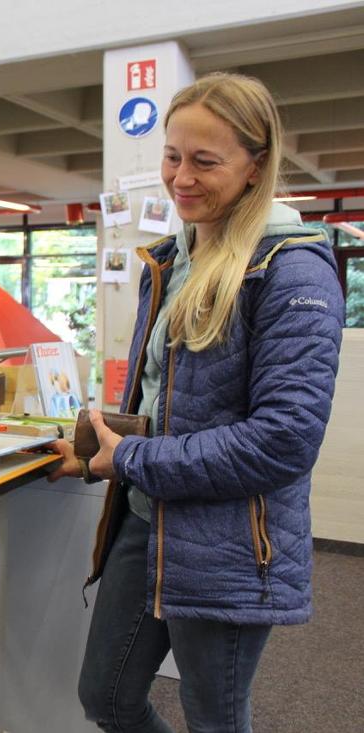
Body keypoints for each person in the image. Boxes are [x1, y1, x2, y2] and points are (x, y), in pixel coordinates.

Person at [47, 73, 344, 732]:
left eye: (205, 161)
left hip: (231, 543)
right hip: (146, 522)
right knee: (107, 695)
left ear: (256, 166)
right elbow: (171, 395)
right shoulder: (176, 256)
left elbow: (283, 439)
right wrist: (97, 449)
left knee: (215, 716)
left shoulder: (292, 270)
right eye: (173, 156)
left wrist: (135, 460)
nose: (181, 177)